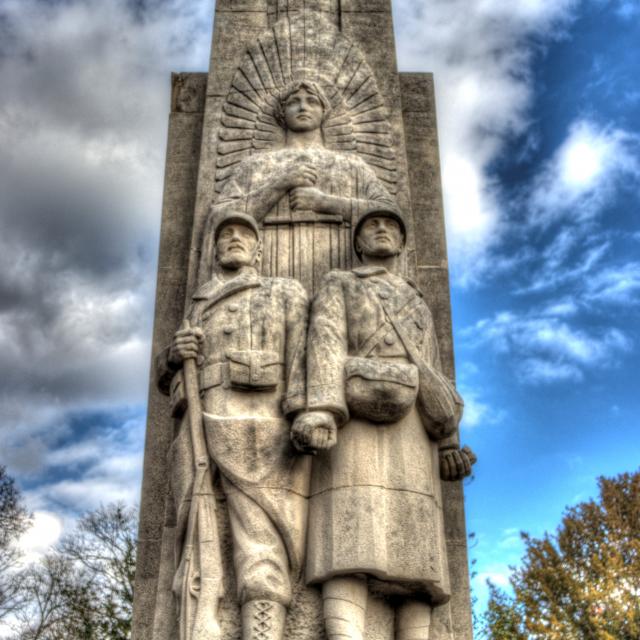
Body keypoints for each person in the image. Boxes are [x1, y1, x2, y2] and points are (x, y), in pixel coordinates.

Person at [291, 205, 476, 640]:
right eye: (372, 225)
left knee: (417, 555)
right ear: (357, 241)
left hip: (413, 428)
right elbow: (326, 346)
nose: (381, 230)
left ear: (402, 243)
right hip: (353, 420)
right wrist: (322, 410)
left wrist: (447, 441)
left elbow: (432, 372)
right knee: (347, 540)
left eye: (391, 226)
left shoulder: (416, 299)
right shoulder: (340, 284)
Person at [158, 211, 311, 640]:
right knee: (195, 532)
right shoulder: (198, 303)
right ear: (213, 249)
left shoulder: (283, 292)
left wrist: (306, 415)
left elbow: (302, 362)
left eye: (244, 234)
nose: (234, 239)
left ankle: (262, 633)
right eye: (225, 235)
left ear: (259, 248)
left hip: (260, 426)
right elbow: (161, 374)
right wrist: (173, 353)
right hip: (197, 426)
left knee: (262, 539)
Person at [206, 80, 396, 293]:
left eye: (312, 101)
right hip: (266, 285)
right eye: (294, 102)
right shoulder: (254, 165)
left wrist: (325, 202)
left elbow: (390, 212)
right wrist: (279, 184)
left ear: (324, 111)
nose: (303, 107)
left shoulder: (352, 165)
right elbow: (218, 217)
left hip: (344, 280)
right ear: (281, 112)